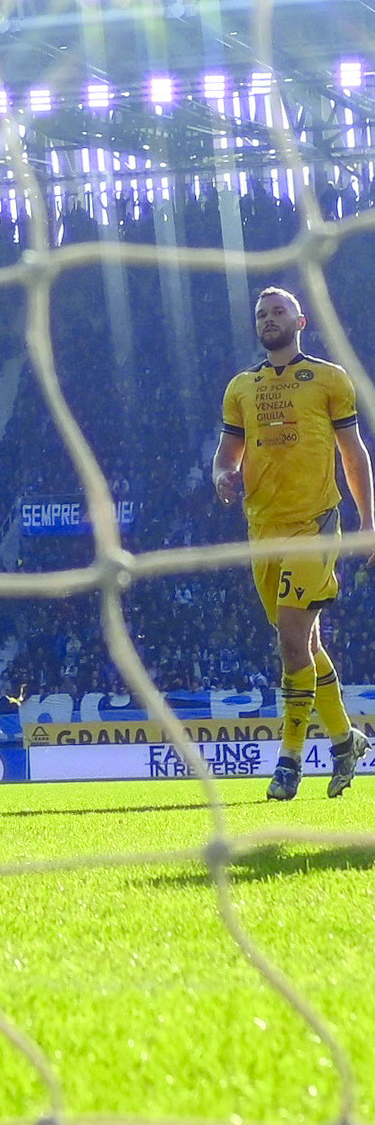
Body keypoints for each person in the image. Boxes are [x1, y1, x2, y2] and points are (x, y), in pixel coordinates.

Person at [212, 286, 373, 799]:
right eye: (262, 314)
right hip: (262, 530)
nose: (269, 319)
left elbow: (354, 454)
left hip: (315, 523)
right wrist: (221, 475)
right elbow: (227, 454)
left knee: (290, 640)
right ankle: (347, 740)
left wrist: (369, 523)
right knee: (304, 645)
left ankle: (289, 759)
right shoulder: (241, 387)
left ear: (300, 321)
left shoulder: (329, 378)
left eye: (278, 311)